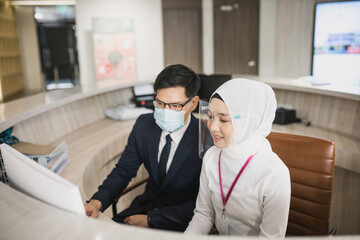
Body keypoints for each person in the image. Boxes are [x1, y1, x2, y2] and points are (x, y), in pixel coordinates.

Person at [85, 64, 202, 231]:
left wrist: (152, 220)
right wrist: (96, 203)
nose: (166, 111)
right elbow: (123, 171)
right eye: (160, 103)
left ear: (193, 103)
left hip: (182, 221)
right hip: (144, 207)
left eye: (175, 105)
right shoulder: (144, 125)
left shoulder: (206, 136)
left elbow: (207, 202)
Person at [185, 78, 291, 237]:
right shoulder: (212, 157)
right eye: (210, 116)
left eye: (224, 119)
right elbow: (204, 214)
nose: (213, 127)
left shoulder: (274, 172)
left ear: (249, 122)